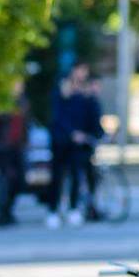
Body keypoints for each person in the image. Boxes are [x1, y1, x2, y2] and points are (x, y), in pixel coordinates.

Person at [47, 64, 102, 228]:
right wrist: (71, 133)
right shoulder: (63, 89)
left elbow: (92, 116)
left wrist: (98, 134)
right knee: (57, 177)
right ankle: (53, 210)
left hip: (79, 144)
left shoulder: (86, 93)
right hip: (61, 141)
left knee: (76, 175)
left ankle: (73, 208)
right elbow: (58, 117)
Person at [0, 82, 30, 226]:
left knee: (18, 180)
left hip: (17, 147)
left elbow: (25, 124)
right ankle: (2, 211)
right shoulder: (2, 103)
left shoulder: (23, 102)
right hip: (3, 148)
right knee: (5, 180)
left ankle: (8, 209)